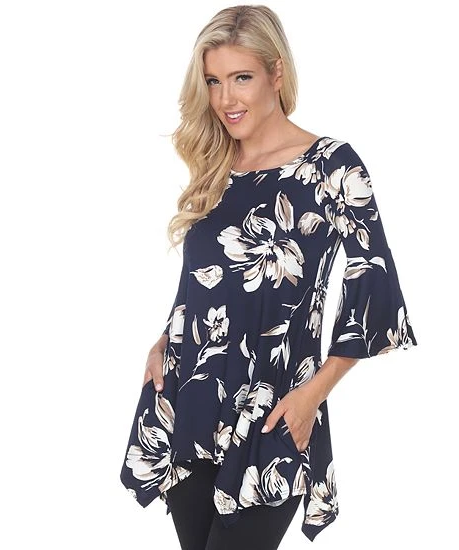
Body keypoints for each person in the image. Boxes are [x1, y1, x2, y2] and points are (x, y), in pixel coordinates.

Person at [119, 4, 418, 549]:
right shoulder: (216, 165)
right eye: (214, 81)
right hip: (192, 401)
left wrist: (312, 396)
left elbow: (375, 292)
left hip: (273, 412)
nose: (225, 99)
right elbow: (207, 282)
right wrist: (164, 339)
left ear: (276, 73)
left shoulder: (332, 167)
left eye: (241, 78)